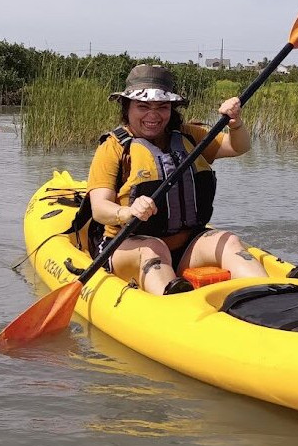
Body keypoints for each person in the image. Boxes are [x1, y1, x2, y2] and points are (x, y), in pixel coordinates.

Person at [86, 63, 269, 296]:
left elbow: (237, 147)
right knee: (153, 248)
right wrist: (127, 212)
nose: (153, 115)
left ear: (172, 108)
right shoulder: (113, 147)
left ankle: (268, 297)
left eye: (162, 107)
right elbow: (99, 209)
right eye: (142, 106)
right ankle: (172, 303)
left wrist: (235, 124)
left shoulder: (189, 136)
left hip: (186, 246)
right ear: (127, 107)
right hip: (128, 246)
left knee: (229, 240)